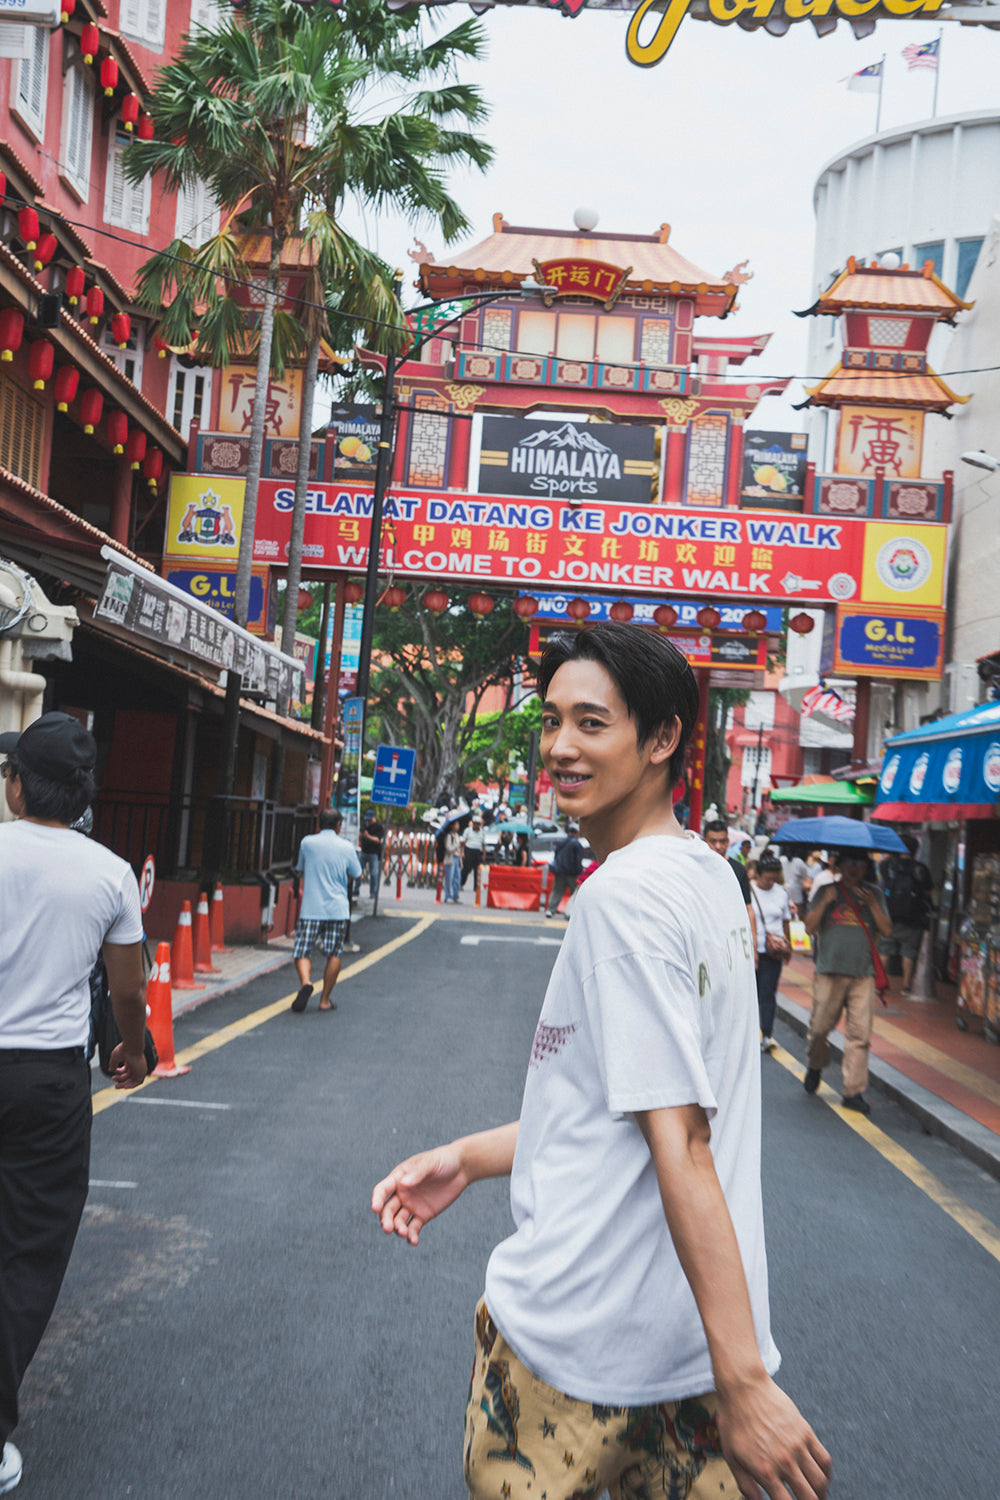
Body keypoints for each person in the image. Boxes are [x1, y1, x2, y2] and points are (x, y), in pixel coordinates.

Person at [372, 623, 830, 1500]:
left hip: (574, 1351)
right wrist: (468, 1158)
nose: (559, 747)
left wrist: (745, 1384)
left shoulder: (621, 898)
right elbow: (613, 1109)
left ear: (662, 739)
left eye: (591, 723)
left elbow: (682, 1139)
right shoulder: (711, 877)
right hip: (688, 1352)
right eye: (551, 721)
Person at [0, 713, 148, 1496]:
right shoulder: (110, 874)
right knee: (28, 1248)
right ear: (83, 795)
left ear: (16, 787)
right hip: (48, 1081)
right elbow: (126, 990)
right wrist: (133, 1049)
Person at [803, 850, 892, 1114]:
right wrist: (825, 902)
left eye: (860, 863)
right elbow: (809, 927)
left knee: (859, 1035)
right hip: (828, 972)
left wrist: (872, 905)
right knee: (819, 1029)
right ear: (840, 865)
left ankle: (853, 1091)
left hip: (863, 975)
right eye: (850, 862)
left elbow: (887, 930)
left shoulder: (874, 894)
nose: (855, 868)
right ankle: (816, 1065)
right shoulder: (825, 890)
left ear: (866, 867)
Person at [291, 809, 362, 1013]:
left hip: (311, 908)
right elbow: (357, 874)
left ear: (319, 823)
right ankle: (324, 1000)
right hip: (337, 910)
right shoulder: (347, 847)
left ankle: (306, 982)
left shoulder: (307, 843)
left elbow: (300, 868)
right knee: (334, 954)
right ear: (339, 825)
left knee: (302, 951)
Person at [879, 834, 934, 997]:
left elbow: (882, 880)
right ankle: (906, 986)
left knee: (885, 950)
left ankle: (880, 984)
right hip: (912, 917)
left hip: (889, 915)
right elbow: (928, 891)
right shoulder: (920, 868)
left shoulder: (887, 865)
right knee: (909, 952)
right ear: (915, 850)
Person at [750, 855, 792, 1053]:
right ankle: (750, 1034)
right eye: (767, 878)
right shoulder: (748, 890)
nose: (770, 882)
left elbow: (785, 920)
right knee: (750, 994)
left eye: (774, 879)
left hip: (772, 952)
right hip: (751, 950)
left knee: (768, 993)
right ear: (758, 875)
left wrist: (788, 946)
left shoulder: (781, 893)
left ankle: (766, 1034)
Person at [703, 819, 757, 959]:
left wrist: (753, 944)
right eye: (713, 841)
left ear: (728, 842)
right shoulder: (697, 869)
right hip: (705, 938)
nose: (718, 846)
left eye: (722, 841)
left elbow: (748, 907)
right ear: (704, 841)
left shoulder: (738, 870)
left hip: (731, 937)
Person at [544, 820, 584, 918]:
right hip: (572, 873)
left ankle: (550, 910)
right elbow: (578, 860)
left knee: (557, 891)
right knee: (574, 893)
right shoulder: (577, 844)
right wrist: (579, 872)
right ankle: (571, 912)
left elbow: (556, 856)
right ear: (576, 833)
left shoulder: (561, 843)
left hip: (560, 872)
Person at [358, 808, 384, 900]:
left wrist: (368, 836)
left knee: (373, 874)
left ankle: (373, 892)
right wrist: (361, 834)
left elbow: (378, 840)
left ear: (374, 817)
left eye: (370, 819)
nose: (368, 821)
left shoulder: (378, 827)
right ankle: (356, 889)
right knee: (358, 871)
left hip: (373, 853)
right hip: (364, 851)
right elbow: (359, 836)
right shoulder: (364, 825)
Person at [780, 851, 812, 918]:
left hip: (784, 891)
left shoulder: (781, 859)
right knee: (797, 917)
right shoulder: (798, 861)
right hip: (796, 894)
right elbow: (805, 875)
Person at [460, 813, 485, 891]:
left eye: (478, 824)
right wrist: (462, 852)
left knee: (477, 870)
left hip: (477, 851)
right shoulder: (468, 830)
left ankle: (476, 886)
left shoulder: (482, 832)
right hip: (469, 850)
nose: (476, 825)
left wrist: (484, 854)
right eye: (475, 824)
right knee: (466, 869)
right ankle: (461, 883)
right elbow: (463, 842)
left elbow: (483, 844)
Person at [441, 823, 462, 902]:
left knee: (457, 877)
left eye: (458, 825)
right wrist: (457, 845)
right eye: (456, 825)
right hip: (450, 857)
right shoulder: (449, 836)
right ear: (452, 826)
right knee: (449, 878)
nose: (457, 826)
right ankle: (448, 896)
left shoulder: (457, 835)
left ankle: (455, 896)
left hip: (457, 857)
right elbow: (448, 848)